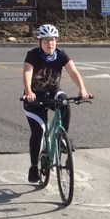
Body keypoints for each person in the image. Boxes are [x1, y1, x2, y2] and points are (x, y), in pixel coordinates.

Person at [22, 24, 92, 182]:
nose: (50, 43)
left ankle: (61, 138)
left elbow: (73, 71)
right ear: (40, 41)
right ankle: (34, 167)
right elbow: (27, 72)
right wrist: (28, 91)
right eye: (46, 40)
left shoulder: (61, 55)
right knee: (38, 132)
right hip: (35, 98)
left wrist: (82, 89)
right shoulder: (32, 55)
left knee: (65, 102)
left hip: (53, 92)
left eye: (52, 40)